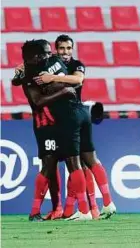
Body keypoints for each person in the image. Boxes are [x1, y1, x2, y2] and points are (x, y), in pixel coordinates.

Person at [34, 35, 116, 219]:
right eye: (62, 48)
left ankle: (86, 210)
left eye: (69, 48)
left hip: (70, 116)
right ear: (56, 50)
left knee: (77, 164)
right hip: (76, 115)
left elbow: (79, 80)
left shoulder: (77, 64)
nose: (66, 52)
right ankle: (100, 206)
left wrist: (51, 78)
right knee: (88, 161)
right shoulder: (51, 62)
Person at [21, 39, 92, 221]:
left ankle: (71, 209)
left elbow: (73, 80)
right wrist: (62, 91)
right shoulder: (27, 76)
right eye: (45, 53)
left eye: (49, 52)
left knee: (72, 162)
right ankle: (37, 211)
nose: (50, 55)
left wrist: (57, 84)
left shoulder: (52, 64)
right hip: (45, 124)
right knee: (50, 166)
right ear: (35, 57)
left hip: (62, 121)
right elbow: (37, 101)